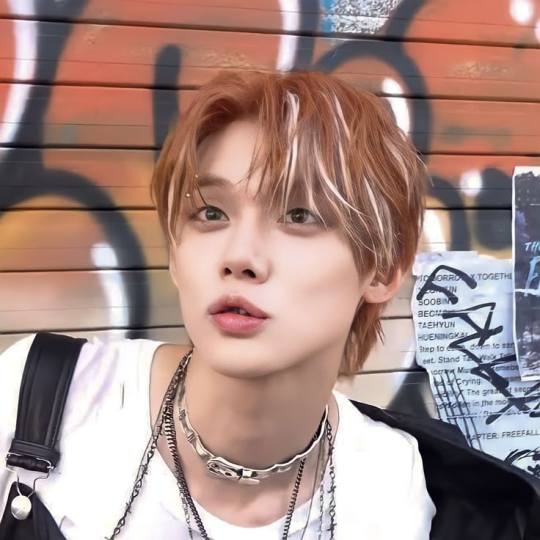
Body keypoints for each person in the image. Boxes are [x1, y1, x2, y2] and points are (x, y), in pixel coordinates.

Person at [0, 71, 538, 540]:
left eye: (299, 215)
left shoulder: (394, 488)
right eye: (210, 213)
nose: (240, 256)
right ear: (175, 252)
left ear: (382, 269)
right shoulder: (45, 398)